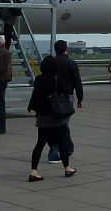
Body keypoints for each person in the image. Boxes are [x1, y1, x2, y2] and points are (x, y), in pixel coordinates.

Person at [28, 40, 83, 181]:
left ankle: (33, 171)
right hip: (56, 114)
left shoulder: (39, 79)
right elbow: (67, 90)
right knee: (63, 139)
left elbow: (35, 97)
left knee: (40, 143)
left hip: (42, 116)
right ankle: (67, 168)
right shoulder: (57, 78)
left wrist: (32, 109)